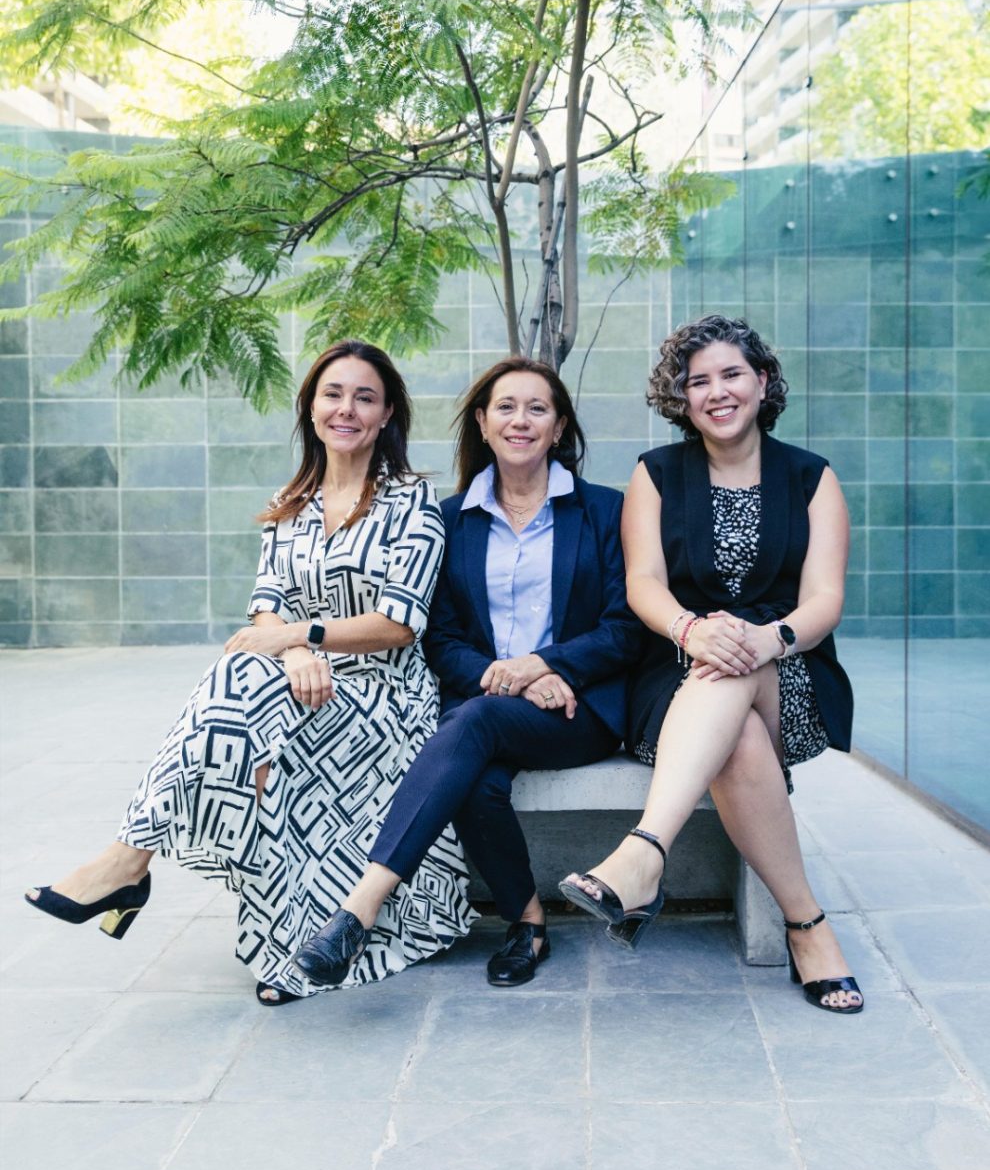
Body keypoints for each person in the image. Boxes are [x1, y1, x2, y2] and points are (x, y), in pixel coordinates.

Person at [25, 339, 473, 1004]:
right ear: (311, 407)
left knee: (240, 692)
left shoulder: (411, 500)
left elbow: (399, 624)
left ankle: (128, 861)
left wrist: (300, 635)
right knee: (241, 684)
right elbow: (266, 607)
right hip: (300, 680)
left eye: (364, 398)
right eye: (333, 394)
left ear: (386, 416)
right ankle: (162, 879)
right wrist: (293, 652)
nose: (346, 409)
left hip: (385, 697)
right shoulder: (289, 502)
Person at [292, 357, 644, 990]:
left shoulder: (603, 511)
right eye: (505, 407)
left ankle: (359, 909)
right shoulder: (449, 518)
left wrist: (546, 664)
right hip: (488, 704)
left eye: (537, 408)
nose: (520, 420)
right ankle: (528, 923)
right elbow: (441, 637)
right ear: (482, 423)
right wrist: (511, 676)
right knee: (477, 780)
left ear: (559, 426)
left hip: (575, 710)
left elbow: (625, 627)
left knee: (473, 724)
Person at [561, 315, 863, 1014]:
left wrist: (769, 638)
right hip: (677, 673)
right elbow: (644, 583)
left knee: (741, 659)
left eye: (732, 374)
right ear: (682, 398)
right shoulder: (657, 474)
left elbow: (825, 599)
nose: (717, 392)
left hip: (788, 668)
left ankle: (644, 853)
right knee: (738, 732)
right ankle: (808, 927)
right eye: (699, 382)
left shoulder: (811, 478)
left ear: (763, 381)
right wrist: (692, 630)